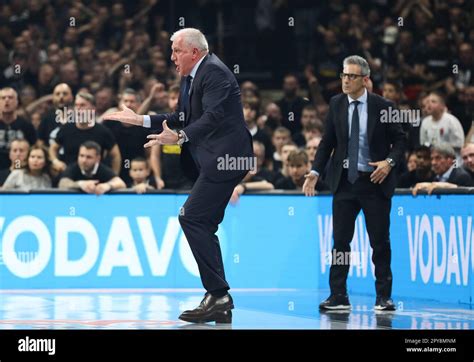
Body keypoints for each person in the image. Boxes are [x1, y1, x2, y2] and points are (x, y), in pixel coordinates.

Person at [104, 28, 253, 324]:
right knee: (203, 221)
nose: (171, 57)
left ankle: (219, 294)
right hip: (212, 159)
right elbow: (180, 117)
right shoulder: (190, 76)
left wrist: (180, 137)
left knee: (191, 217)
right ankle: (219, 300)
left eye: (176, 51)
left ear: (194, 52)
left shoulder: (215, 73)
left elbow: (212, 118)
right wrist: (141, 120)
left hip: (227, 159)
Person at [303, 55, 406, 311]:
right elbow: (327, 142)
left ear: (365, 80)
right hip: (344, 184)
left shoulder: (383, 106)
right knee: (340, 242)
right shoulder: (336, 103)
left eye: (351, 76)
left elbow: (401, 141)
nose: (345, 80)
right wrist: (315, 172)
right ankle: (338, 295)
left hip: (374, 181)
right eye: (343, 75)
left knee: (379, 242)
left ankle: (384, 296)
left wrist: (388, 163)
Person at [58, 141, 126, 195]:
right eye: (81, 156)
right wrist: (81, 184)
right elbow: (62, 184)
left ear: (98, 158)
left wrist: (107, 186)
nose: (84, 160)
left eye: (89, 157)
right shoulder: (73, 167)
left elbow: (121, 183)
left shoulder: (102, 169)